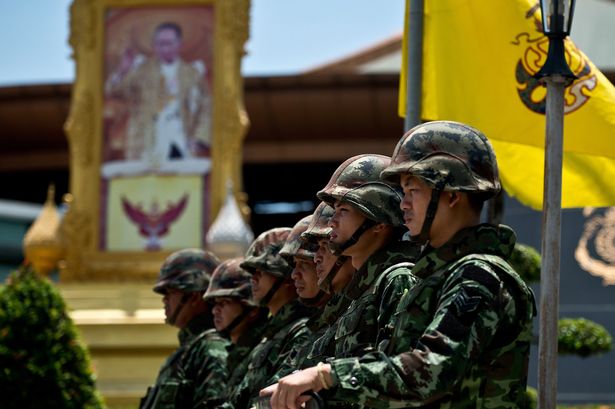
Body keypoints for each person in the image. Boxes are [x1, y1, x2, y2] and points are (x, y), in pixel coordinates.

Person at [264, 121, 536, 408]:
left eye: (413, 191)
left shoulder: (479, 275)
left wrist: (326, 377)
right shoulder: (437, 277)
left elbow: (431, 371)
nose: (403, 204)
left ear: (453, 195)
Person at [261, 154, 421, 407]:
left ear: (378, 221)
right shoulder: (358, 294)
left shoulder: (397, 281)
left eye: (344, 210)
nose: (332, 220)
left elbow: (398, 380)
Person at [105, 22, 211, 176]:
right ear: (154, 45)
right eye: (160, 44)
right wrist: (123, 70)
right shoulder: (142, 70)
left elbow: (206, 108)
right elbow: (115, 92)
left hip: (181, 139)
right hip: (147, 140)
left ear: (179, 44)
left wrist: (200, 138)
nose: (164, 48)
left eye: (168, 43)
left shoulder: (193, 74)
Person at [228, 228, 312, 409]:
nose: (253, 279)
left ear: (285, 277)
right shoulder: (269, 334)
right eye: (251, 273)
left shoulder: (302, 331)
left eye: (260, 271)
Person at [140, 248, 228, 409]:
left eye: (170, 292)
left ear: (194, 297)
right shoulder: (189, 351)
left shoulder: (212, 350)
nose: (164, 300)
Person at [202, 257, 269, 404]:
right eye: (214, 304)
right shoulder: (236, 354)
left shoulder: (265, 352)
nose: (215, 310)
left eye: (224, 302)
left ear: (252, 310)